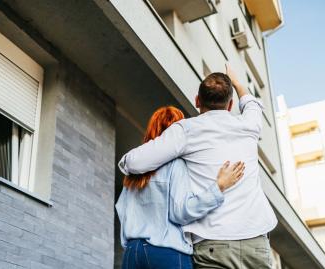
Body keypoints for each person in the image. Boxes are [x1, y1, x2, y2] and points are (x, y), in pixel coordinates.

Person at [118, 63, 277, 269]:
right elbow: (251, 103)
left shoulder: (186, 130)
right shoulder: (249, 125)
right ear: (230, 106)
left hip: (213, 243)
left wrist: (127, 163)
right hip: (256, 241)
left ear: (197, 101)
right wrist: (236, 82)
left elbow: (134, 162)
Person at [116, 106, 246, 269]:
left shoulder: (133, 173)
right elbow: (181, 212)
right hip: (167, 251)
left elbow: (121, 208)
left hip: (132, 253)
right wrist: (218, 187)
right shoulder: (176, 165)